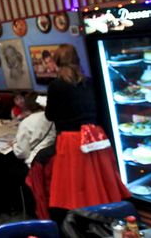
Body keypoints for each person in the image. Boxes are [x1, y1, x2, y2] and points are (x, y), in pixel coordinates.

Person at [44, 44, 130, 223]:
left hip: (71, 139)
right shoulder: (90, 82)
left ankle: (81, 221)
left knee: (77, 185)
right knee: (99, 180)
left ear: (58, 61)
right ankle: (107, 214)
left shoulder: (56, 86)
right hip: (95, 135)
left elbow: (50, 115)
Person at [13, 93, 55, 167]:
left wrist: (14, 145)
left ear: (27, 105)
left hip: (36, 162)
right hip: (53, 158)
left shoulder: (26, 123)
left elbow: (22, 153)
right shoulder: (52, 117)